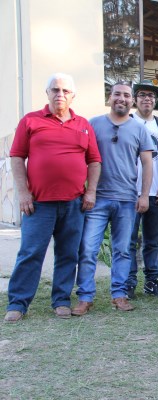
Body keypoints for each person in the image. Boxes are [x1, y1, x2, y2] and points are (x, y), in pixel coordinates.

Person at [4, 73, 101, 323]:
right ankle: (18, 303)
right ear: (47, 93)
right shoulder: (31, 121)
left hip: (74, 203)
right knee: (30, 252)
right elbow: (16, 157)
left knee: (68, 254)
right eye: (55, 90)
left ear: (73, 96)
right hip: (38, 203)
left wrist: (90, 192)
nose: (60, 95)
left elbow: (94, 161)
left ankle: (61, 301)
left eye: (65, 91)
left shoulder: (83, 124)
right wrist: (23, 192)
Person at [74, 81, 153, 315]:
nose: (122, 98)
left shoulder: (140, 128)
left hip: (127, 200)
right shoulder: (94, 124)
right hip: (97, 199)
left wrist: (144, 195)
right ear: (110, 97)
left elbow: (148, 163)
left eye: (126, 95)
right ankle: (85, 297)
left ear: (132, 100)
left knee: (122, 250)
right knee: (88, 249)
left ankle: (119, 295)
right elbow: (81, 158)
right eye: (117, 94)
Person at [126, 81, 158, 299]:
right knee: (129, 241)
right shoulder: (128, 121)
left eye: (151, 96)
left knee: (152, 241)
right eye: (142, 95)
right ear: (135, 99)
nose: (147, 99)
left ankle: (152, 282)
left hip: (154, 193)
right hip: (130, 192)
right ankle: (128, 283)